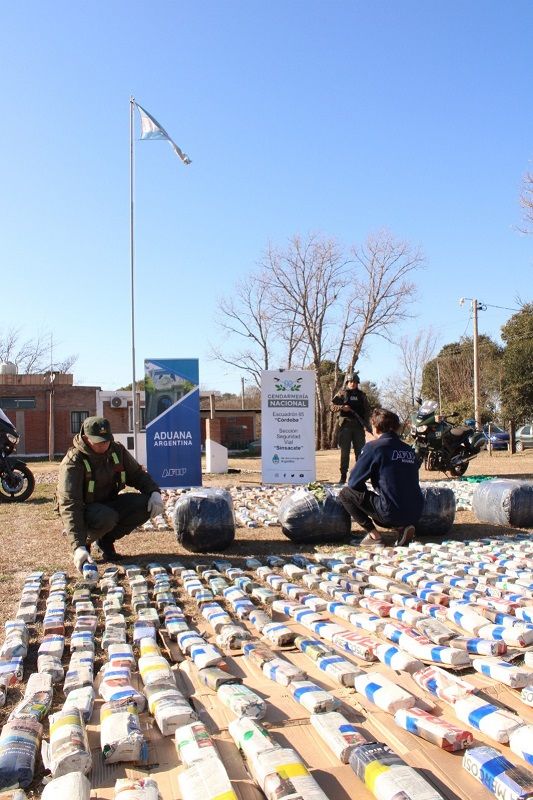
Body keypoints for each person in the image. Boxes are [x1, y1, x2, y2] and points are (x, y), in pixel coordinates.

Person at [57, 416, 164, 572]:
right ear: (86, 439)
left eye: (106, 440)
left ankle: (105, 541)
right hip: (86, 510)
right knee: (107, 517)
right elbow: (70, 504)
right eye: (99, 442)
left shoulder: (116, 450)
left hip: (108, 503)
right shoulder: (73, 462)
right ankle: (86, 543)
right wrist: (78, 546)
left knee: (144, 504)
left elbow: (136, 474)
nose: (104, 445)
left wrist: (154, 492)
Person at [338, 407, 423, 547]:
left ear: (375, 428)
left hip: (390, 512)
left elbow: (353, 482)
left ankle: (374, 536)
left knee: (346, 494)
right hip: (416, 511)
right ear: (396, 428)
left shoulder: (374, 447)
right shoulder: (409, 450)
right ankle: (402, 527)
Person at [331, 372, 371, 484]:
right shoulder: (342, 393)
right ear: (347, 382)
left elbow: (367, 411)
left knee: (360, 453)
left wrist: (367, 425)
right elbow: (331, 407)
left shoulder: (362, 395)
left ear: (357, 383)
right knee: (345, 453)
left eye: (354, 382)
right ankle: (343, 475)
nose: (352, 384)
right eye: (350, 382)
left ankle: (360, 475)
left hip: (358, 427)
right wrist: (342, 407)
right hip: (345, 427)